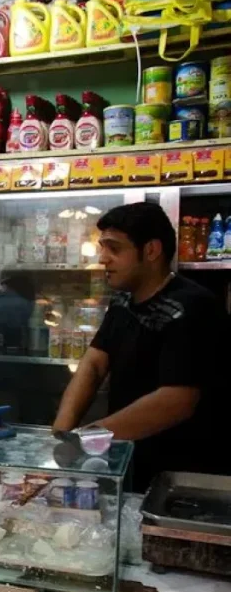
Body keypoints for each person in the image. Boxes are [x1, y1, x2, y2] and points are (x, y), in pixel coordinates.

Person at [53, 202, 229, 493]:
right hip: (129, 461)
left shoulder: (191, 307)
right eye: (102, 247)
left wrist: (87, 438)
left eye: (114, 248)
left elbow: (176, 400)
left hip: (181, 478)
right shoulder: (123, 302)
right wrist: (61, 432)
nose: (103, 258)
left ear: (151, 251)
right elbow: (94, 364)